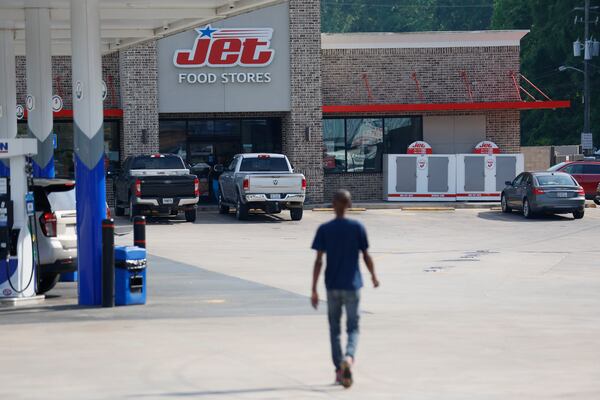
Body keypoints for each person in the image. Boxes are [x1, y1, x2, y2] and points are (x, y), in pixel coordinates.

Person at [311, 189, 379, 388]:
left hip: (332, 286)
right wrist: (374, 275)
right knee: (353, 328)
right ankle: (348, 359)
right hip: (352, 286)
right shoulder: (357, 227)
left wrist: (314, 289)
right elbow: (365, 255)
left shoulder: (324, 229)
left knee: (334, 329)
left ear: (332, 205)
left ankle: (339, 370)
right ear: (349, 205)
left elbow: (318, 261)